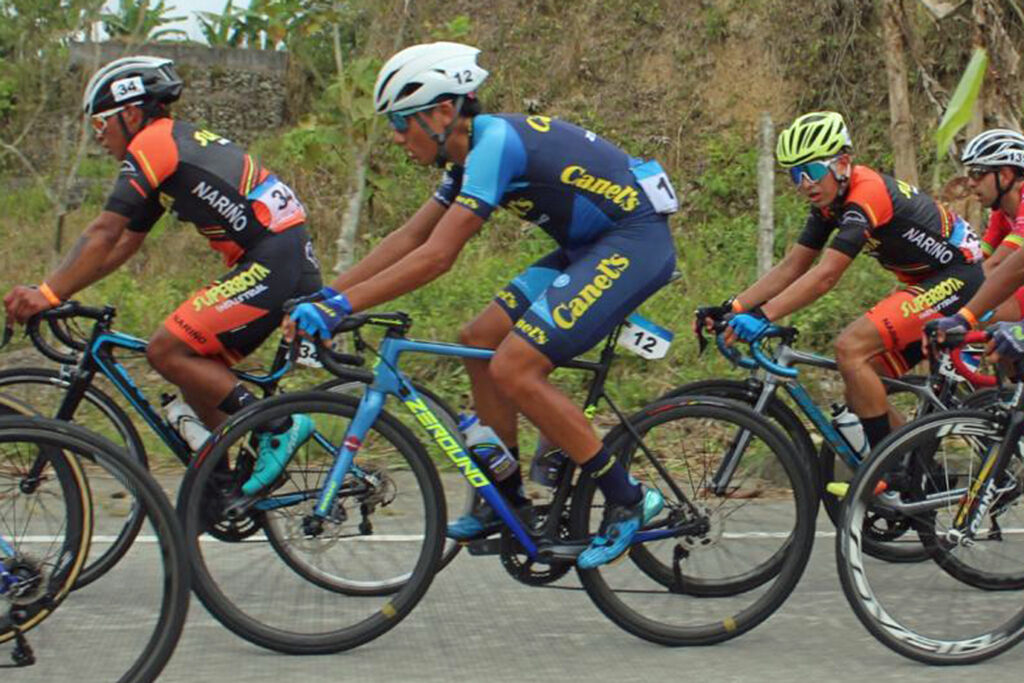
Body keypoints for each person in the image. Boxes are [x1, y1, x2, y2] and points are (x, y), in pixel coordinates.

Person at [289, 42, 678, 568]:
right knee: (478, 340)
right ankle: (508, 498)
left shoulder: (495, 146)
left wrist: (339, 308)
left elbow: (438, 256)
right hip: (587, 247)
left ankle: (631, 501)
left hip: (633, 242)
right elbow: (409, 238)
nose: (397, 136)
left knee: (516, 366)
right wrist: (330, 295)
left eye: (403, 122)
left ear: (444, 111)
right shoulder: (466, 157)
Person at [2, 56, 322, 494]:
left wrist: (46, 292)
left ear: (130, 113)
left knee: (166, 350)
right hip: (282, 259)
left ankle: (278, 426)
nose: (99, 139)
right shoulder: (171, 146)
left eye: (100, 125)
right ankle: (221, 486)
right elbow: (123, 244)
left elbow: (103, 231)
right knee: (195, 370)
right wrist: (60, 293)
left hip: (273, 261)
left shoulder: (153, 144)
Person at [719, 111, 984, 451]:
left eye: (812, 170)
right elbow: (794, 265)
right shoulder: (830, 203)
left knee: (850, 348)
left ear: (842, 163)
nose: (805, 184)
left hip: (957, 278)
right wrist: (734, 306)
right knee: (860, 382)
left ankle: (880, 469)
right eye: (795, 175)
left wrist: (763, 316)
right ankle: (913, 465)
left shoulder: (866, 193)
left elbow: (826, 275)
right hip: (927, 282)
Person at [931, 128, 1024, 334]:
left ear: (1006, 175)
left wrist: (939, 299)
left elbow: (1000, 264)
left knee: (993, 310)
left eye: (978, 173)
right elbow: (976, 261)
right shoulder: (1002, 213)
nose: (971, 183)